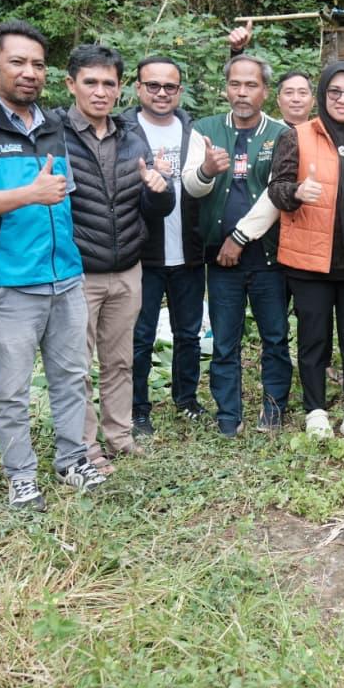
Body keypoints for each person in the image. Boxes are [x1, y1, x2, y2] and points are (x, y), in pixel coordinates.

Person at [0, 20, 104, 510]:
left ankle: (73, 459)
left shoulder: (53, 124)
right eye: (17, 62)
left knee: (72, 376)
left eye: (37, 64)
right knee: (11, 389)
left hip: (64, 276)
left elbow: (66, 198)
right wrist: (27, 195)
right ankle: (21, 476)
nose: (29, 72)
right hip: (7, 283)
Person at [62, 44, 174, 471]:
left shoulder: (131, 135)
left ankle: (119, 434)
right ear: (71, 84)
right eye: (90, 82)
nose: (100, 91)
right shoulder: (57, 133)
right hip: (80, 271)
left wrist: (158, 190)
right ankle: (84, 445)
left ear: (120, 88)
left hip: (128, 266)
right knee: (77, 365)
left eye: (109, 83)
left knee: (120, 359)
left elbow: (155, 206)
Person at [267, 61, 344, 443]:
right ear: (322, 96)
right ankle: (315, 410)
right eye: (334, 92)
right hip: (309, 260)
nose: (342, 99)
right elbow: (277, 189)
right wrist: (296, 192)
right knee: (313, 340)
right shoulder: (297, 137)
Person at [186, 54, 293, 435]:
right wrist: (206, 171)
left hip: (267, 256)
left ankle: (274, 408)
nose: (242, 92)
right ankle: (228, 415)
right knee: (224, 340)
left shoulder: (281, 134)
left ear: (265, 90)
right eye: (235, 84)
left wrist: (240, 237)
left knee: (275, 336)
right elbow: (191, 185)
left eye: (251, 85)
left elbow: (277, 194)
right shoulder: (205, 128)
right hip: (221, 261)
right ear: (225, 88)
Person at [123, 56, 209, 439]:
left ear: (180, 91)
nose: (161, 92)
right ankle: (137, 408)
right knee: (139, 337)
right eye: (153, 85)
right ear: (138, 88)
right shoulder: (124, 132)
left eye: (169, 86)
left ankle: (186, 398)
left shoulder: (192, 133)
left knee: (188, 333)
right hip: (142, 252)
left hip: (188, 249)